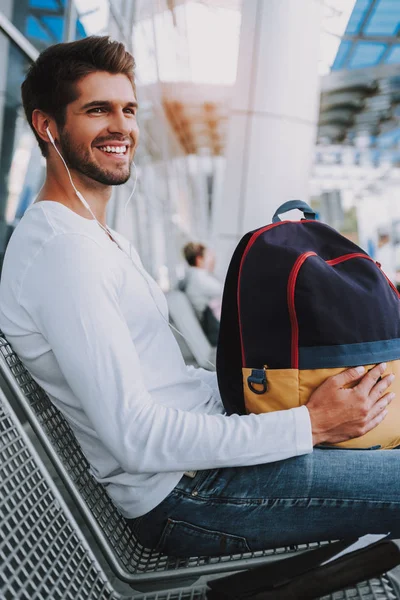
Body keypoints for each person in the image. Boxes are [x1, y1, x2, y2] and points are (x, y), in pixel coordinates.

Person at [0, 36, 399, 558]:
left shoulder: (97, 237)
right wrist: (312, 422)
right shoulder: (63, 253)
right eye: (97, 110)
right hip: (189, 495)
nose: (121, 126)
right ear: (46, 125)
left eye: (128, 109)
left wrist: (278, 394)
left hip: (209, 458)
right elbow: (136, 438)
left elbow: (163, 384)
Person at [182, 242, 222, 346]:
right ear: (199, 259)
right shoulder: (199, 278)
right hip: (213, 332)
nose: (214, 260)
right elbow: (227, 291)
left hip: (208, 328)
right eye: (209, 257)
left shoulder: (190, 276)